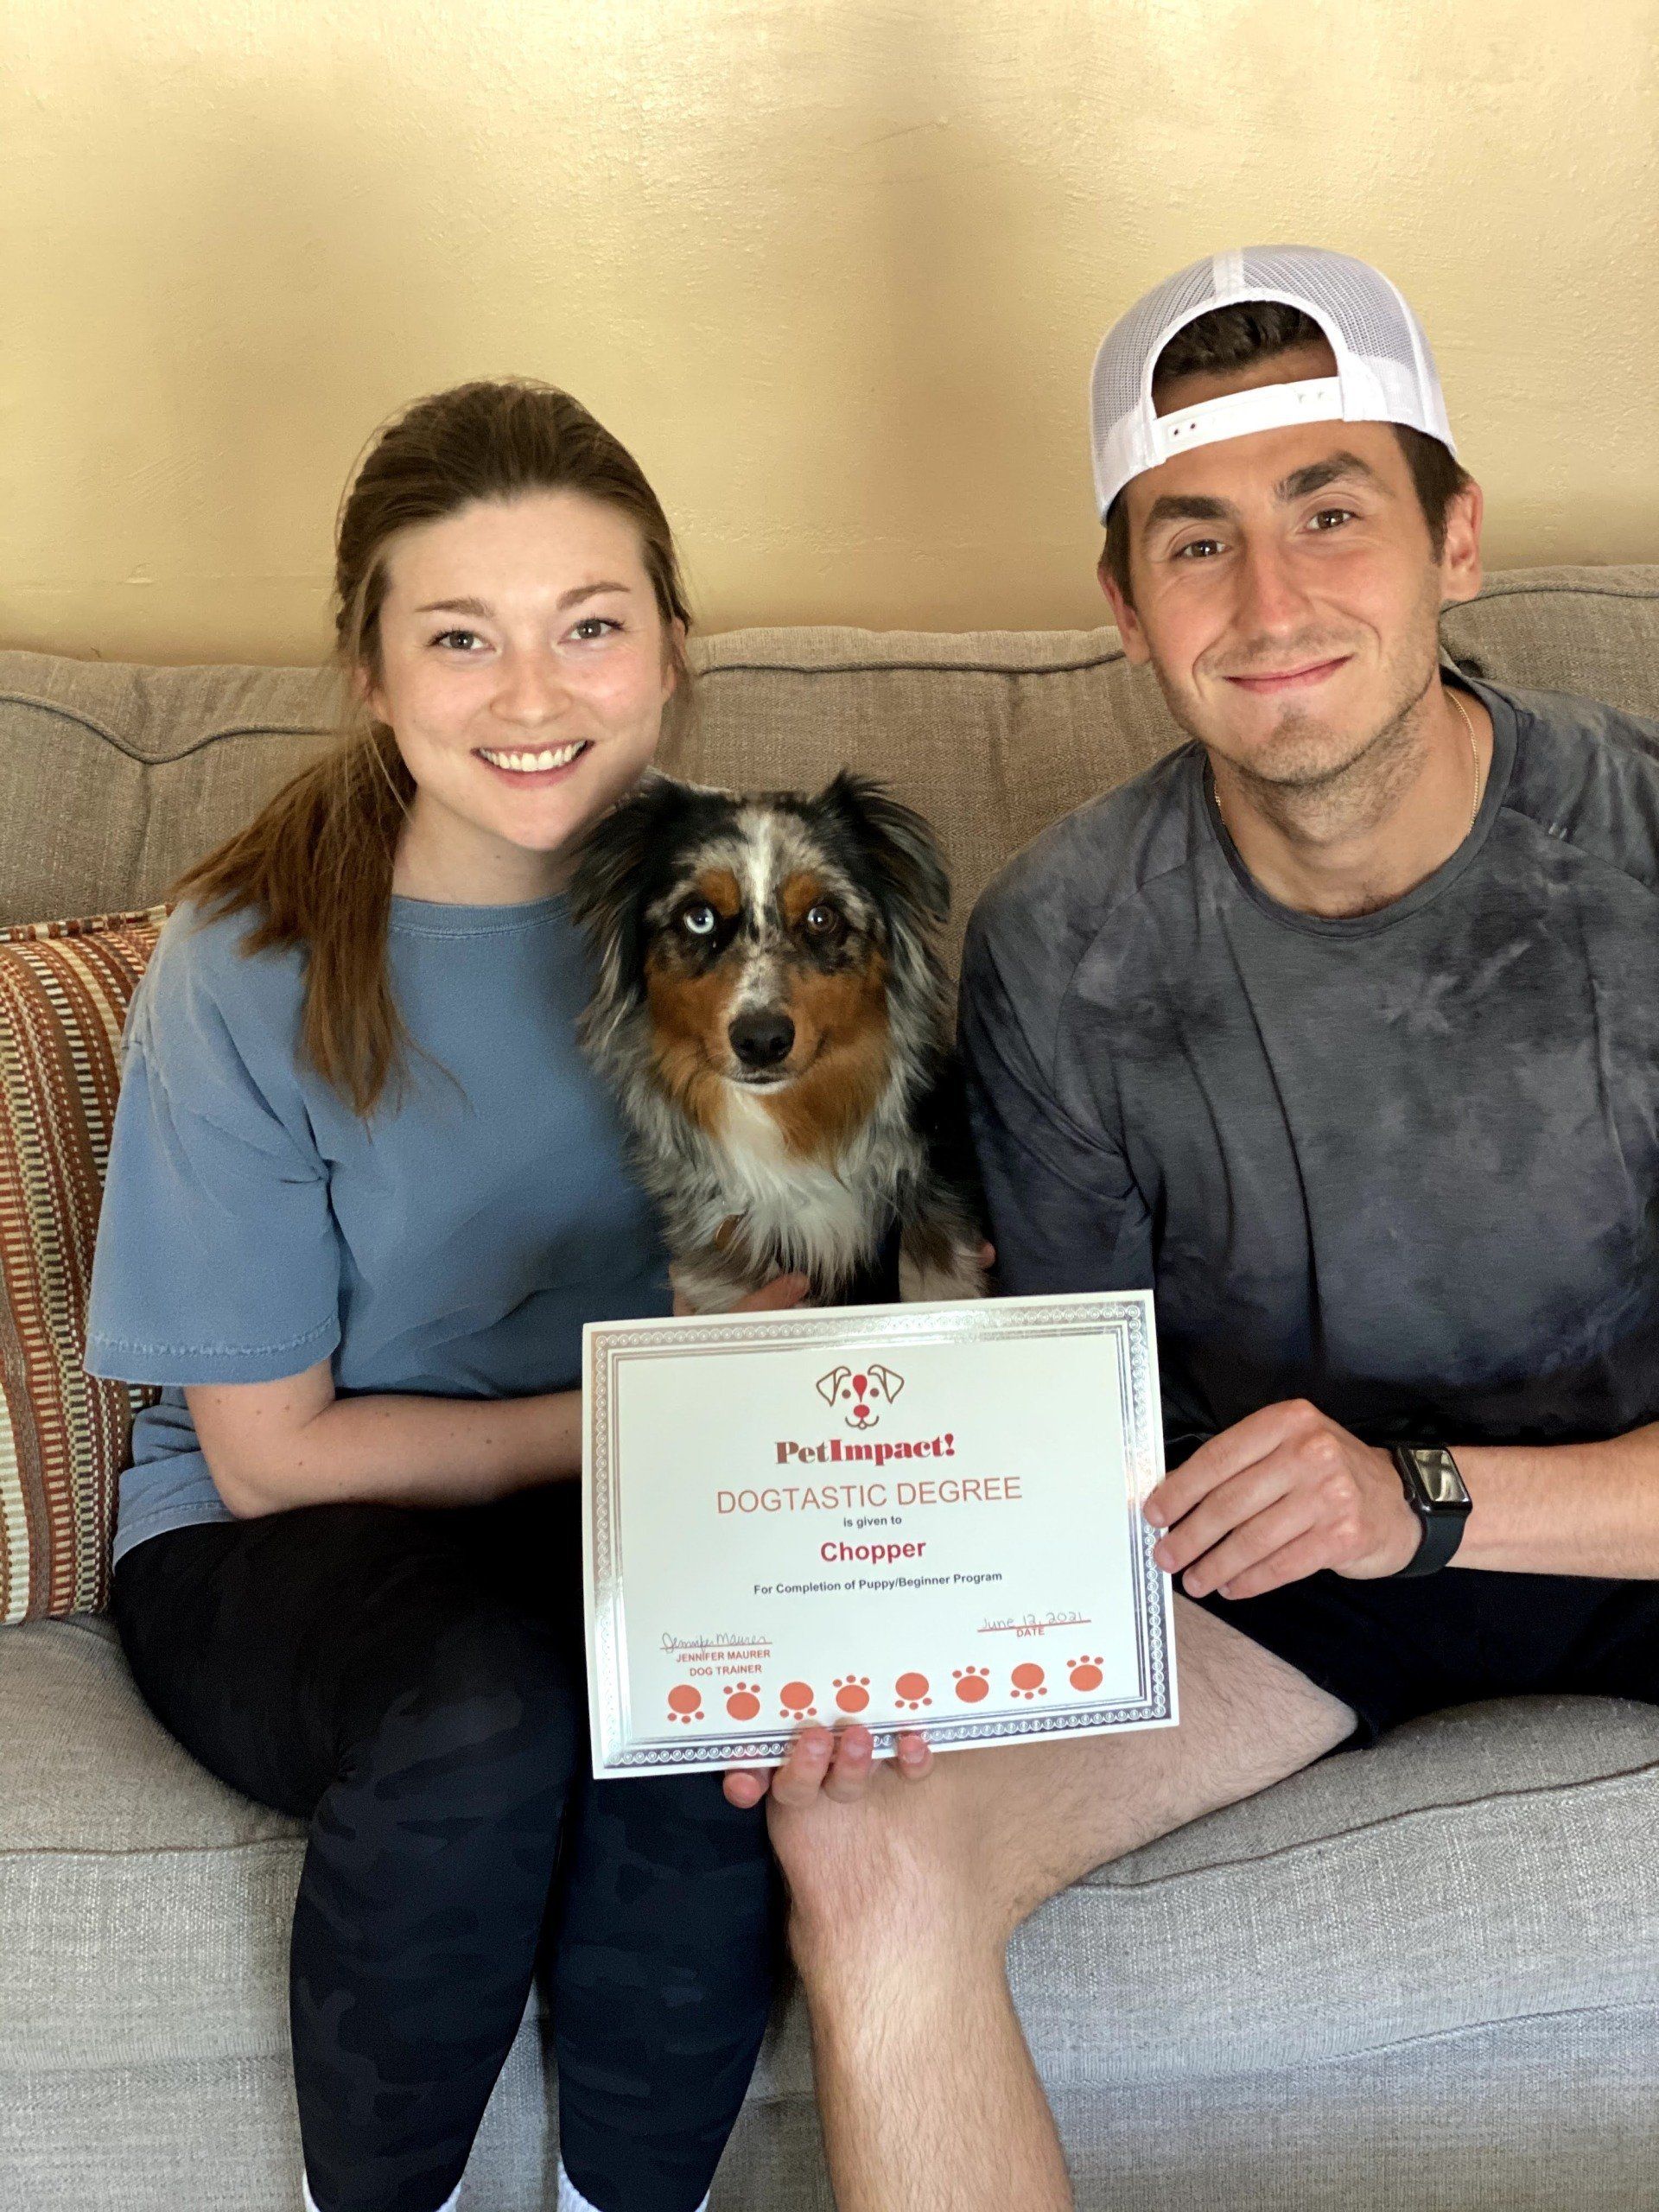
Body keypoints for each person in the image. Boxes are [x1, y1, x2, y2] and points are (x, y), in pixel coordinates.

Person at [720, 246, 1659, 2211]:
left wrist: (1433, 1492)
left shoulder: (1638, 855)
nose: (1274, 600)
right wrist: (870, 1616)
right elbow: (1069, 1426)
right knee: (861, 1837)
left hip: (1607, 1496)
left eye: (1334, 511)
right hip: (1289, 1560)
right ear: (1125, 605)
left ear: (1456, 539)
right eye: (1197, 541)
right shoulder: (1067, 939)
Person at [85, 379, 804, 2212]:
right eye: (462, 639)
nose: (535, 695)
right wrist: (652, 1412)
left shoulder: (772, 916)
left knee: (700, 1701)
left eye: (589, 627)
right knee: (492, 1705)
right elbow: (267, 1458)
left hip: (635, 1507)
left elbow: (835, 1285)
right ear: (373, 675)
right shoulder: (245, 958)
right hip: (286, 1538)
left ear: (670, 651)